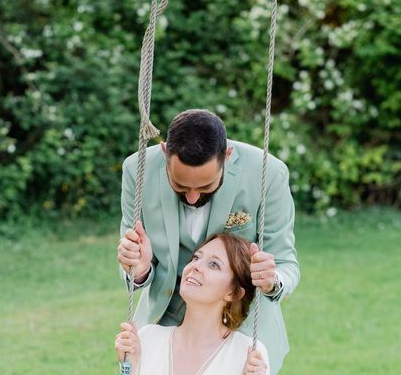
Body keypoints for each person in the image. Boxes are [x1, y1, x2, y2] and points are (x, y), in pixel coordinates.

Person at [117, 109, 299, 375]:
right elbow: (133, 258)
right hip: (161, 322)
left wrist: (271, 279)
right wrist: (140, 268)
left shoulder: (267, 174)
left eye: (205, 187)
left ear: (226, 156)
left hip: (240, 327)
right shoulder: (138, 169)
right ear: (166, 152)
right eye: (179, 186)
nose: (191, 198)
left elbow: (286, 263)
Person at [115, 233, 269, 375]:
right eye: (196, 258)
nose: (195, 266)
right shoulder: (147, 338)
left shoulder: (248, 353)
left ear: (233, 293)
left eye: (214, 264)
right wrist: (129, 366)